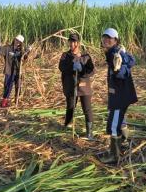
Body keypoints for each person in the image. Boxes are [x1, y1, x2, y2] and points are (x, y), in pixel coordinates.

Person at [98, 28, 138, 164]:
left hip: (119, 97)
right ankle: (125, 143)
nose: (106, 40)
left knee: (114, 125)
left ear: (116, 40)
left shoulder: (115, 53)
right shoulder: (115, 52)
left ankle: (114, 156)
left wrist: (118, 69)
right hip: (121, 95)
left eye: (110, 38)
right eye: (104, 37)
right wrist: (122, 56)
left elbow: (123, 71)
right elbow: (132, 60)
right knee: (121, 121)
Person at [58, 33, 95, 140]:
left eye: (74, 41)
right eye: (70, 41)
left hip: (84, 87)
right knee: (70, 107)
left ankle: (89, 132)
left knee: (87, 109)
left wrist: (81, 69)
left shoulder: (85, 56)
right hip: (70, 86)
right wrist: (72, 65)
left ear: (78, 43)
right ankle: (68, 124)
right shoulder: (65, 55)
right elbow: (62, 67)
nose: (72, 44)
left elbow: (92, 70)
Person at [0, 34, 30, 107]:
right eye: (17, 40)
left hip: (18, 71)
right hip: (9, 70)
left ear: (21, 43)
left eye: (19, 41)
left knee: (18, 85)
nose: (17, 42)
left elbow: (24, 57)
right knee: (7, 86)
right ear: (14, 39)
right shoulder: (7, 48)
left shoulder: (22, 50)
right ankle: (5, 101)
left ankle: (17, 100)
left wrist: (28, 51)